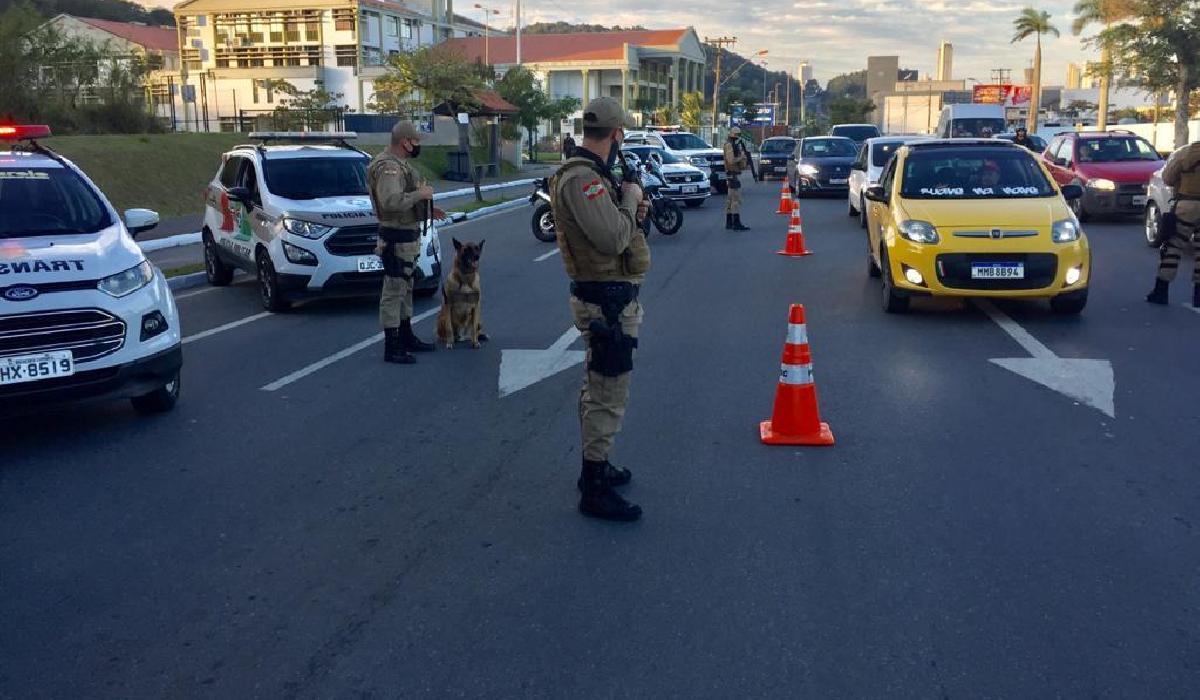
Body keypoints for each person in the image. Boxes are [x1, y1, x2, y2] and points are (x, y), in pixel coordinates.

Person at [550, 96, 651, 521]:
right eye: (621, 131)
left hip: (610, 295)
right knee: (608, 393)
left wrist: (631, 209)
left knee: (600, 388)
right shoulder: (583, 179)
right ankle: (594, 486)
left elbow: (615, 229)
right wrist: (629, 201)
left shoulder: (593, 175)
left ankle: (598, 463)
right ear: (616, 133)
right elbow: (611, 241)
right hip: (605, 302)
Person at [368, 120, 444, 364]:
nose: (418, 145)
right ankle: (392, 346)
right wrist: (420, 195)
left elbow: (404, 203)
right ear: (405, 142)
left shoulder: (400, 165)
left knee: (406, 289)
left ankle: (406, 336)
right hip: (396, 237)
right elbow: (391, 202)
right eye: (416, 141)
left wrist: (427, 209)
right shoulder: (389, 167)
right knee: (393, 291)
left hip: (407, 237)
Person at [1146, 141, 1200, 307]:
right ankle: (1198, 296)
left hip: (1186, 205)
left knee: (1173, 248)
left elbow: (1168, 178)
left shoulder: (1186, 154)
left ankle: (1161, 291)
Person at [723, 126, 751, 231]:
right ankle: (736, 223)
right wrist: (741, 157)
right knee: (735, 200)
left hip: (731, 174)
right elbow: (731, 160)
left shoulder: (730, 144)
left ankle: (729, 222)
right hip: (732, 174)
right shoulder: (730, 145)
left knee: (730, 200)